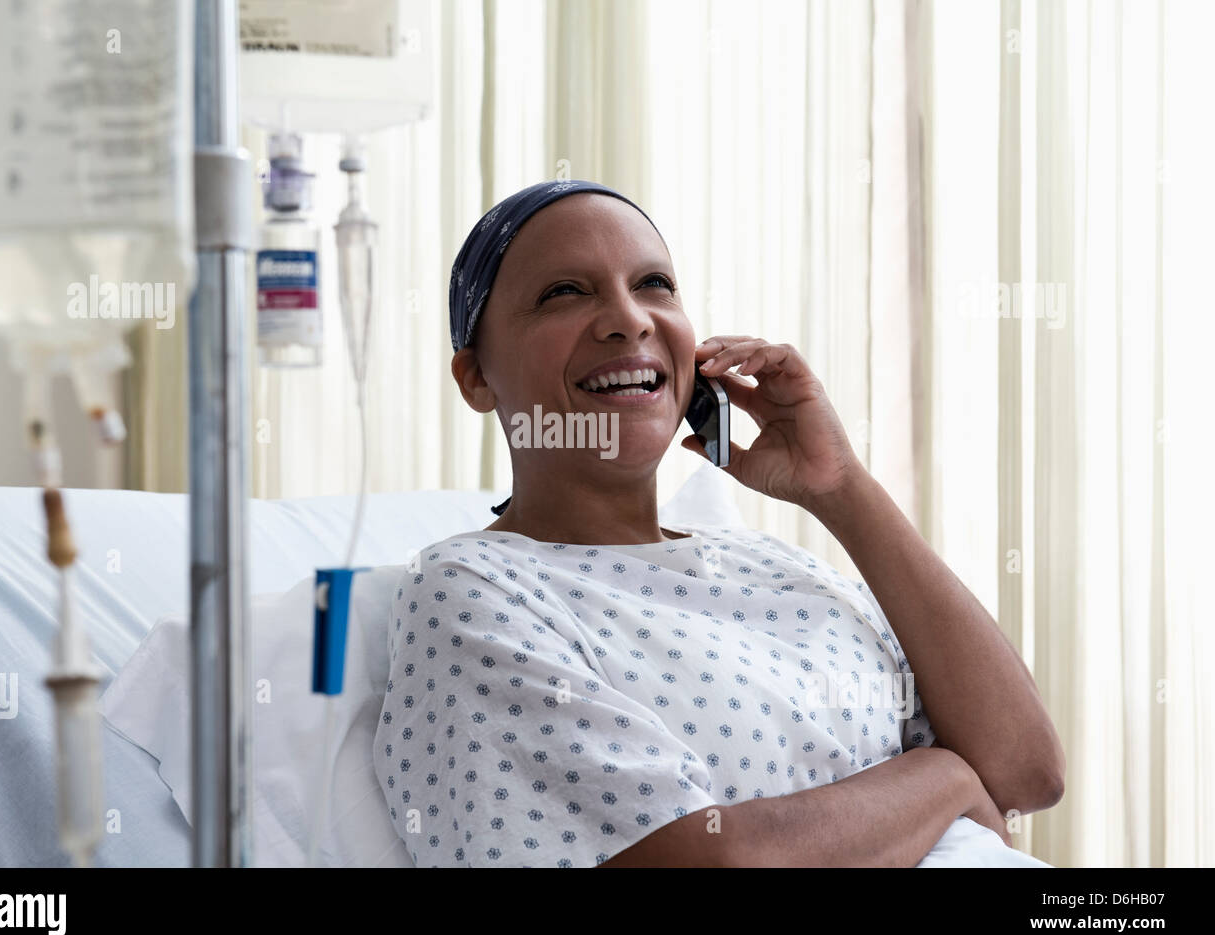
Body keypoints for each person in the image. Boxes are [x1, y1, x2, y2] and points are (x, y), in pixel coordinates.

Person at [372, 179, 1064, 867]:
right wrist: (943, 776)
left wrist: (841, 488)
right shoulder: (474, 591)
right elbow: (711, 862)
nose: (628, 319)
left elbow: (1026, 770)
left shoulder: (772, 565)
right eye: (564, 293)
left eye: (653, 284)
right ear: (475, 378)